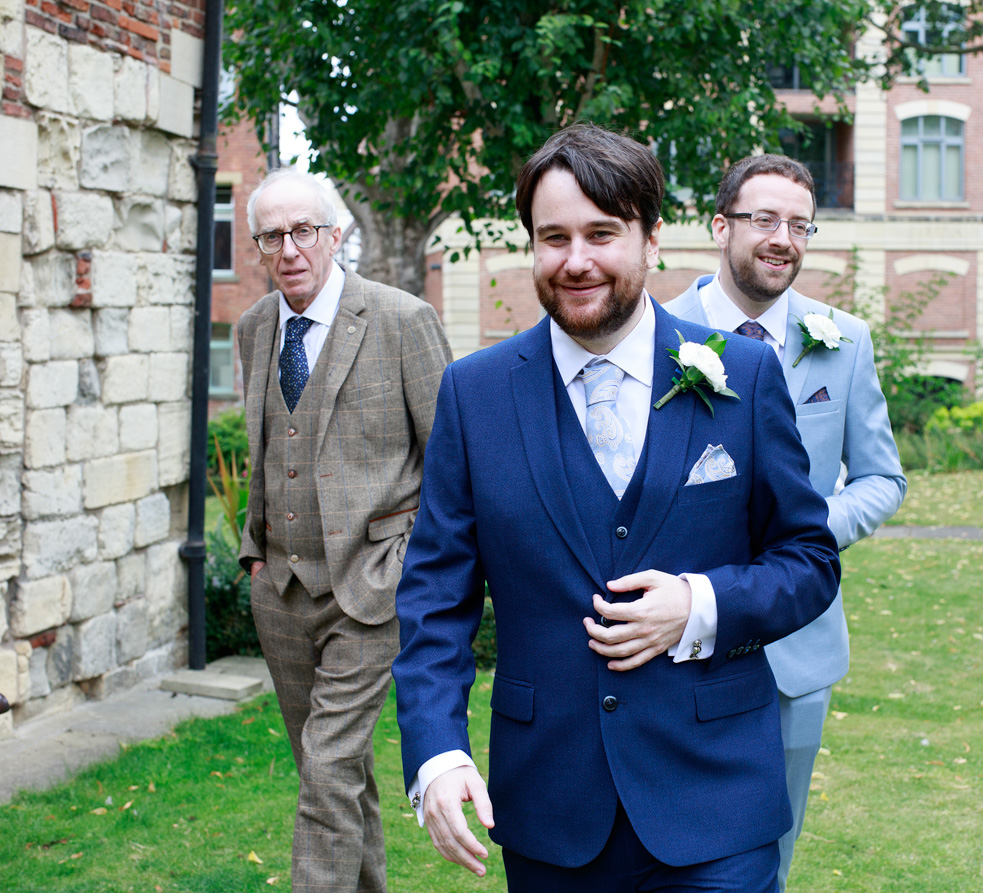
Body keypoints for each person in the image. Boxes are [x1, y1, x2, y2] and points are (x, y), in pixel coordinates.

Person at [391, 124, 842, 893]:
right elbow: (435, 597)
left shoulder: (746, 374)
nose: (576, 260)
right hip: (551, 806)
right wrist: (437, 752)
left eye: (602, 233)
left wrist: (700, 603)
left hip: (716, 799)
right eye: (553, 236)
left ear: (651, 238)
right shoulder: (476, 394)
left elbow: (808, 559)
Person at [665, 154, 906, 890]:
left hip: (799, 647)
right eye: (765, 219)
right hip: (680, 638)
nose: (784, 238)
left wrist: (807, 532)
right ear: (720, 225)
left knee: (774, 849)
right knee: (675, 842)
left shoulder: (845, 338)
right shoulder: (656, 331)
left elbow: (883, 478)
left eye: (800, 224)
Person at [236, 168, 451, 893]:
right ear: (259, 246)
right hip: (283, 591)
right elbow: (265, 445)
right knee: (336, 772)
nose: (290, 248)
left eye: (304, 231)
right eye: (273, 235)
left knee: (328, 768)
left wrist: (411, 560)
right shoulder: (253, 327)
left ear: (335, 235)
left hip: (372, 586)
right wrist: (253, 554)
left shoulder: (401, 319)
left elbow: (451, 462)